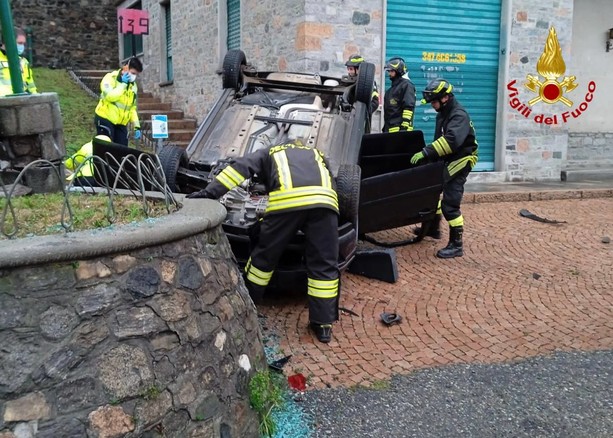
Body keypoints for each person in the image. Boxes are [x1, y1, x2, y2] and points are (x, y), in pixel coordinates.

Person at [186, 141, 340, 344]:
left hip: (287, 204)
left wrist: (209, 193)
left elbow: (239, 170)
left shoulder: (270, 152)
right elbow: (332, 181)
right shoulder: (317, 153)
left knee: (264, 259)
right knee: (324, 264)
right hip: (325, 203)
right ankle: (323, 325)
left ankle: (249, 303)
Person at [410, 79, 478, 258]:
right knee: (433, 191)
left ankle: (456, 244)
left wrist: (427, 152)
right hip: (448, 156)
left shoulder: (458, 115)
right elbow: (439, 138)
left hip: (462, 159)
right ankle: (433, 229)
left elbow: (451, 141)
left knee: (450, 203)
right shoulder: (443, 111)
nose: (432, 105)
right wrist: (431, 158)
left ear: (445, 97)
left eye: (434, 101)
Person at [94, 57, 143, 146]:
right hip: (105, 118)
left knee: (122, 149)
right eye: (132, 73)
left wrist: (137, 126)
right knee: (105, 148)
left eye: (136, 74)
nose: (134, 76)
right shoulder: (110, 78)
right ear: (125, 68)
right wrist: (123, 84)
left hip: (120, 122)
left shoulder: (133, 86)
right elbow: (110, 97)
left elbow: (131, 108)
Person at [382, 57, 415, 133]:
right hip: (390, 130)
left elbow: (408, 107)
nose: (389, 73)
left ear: (398, 71)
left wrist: (404, 127)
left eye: (391, 71)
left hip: (400, 131)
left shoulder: (407, 85)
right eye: (389, 71)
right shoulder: (391, 90)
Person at [0, 28, 37, 96]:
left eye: (23, 43)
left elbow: (30, 85)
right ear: (8, 41)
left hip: (20, 101)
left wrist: (35, 98)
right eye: (19, 43)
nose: (22, 46)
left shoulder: (23, 62)